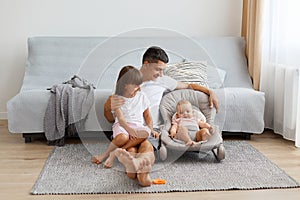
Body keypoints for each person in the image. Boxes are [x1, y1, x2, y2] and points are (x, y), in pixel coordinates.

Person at [100, 46, 219, 187]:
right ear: (146, 64)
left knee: (147, 148)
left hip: (151, 130)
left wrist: (210, 91)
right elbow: (111, 118)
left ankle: (142, 172)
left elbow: (189, 86)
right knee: (132, 150)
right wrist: (108, 106)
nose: (161, 74)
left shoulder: (163, 80)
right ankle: (133, 168)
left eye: (163, 70)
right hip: (127, 129)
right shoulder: (127, 81)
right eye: (158, 69)